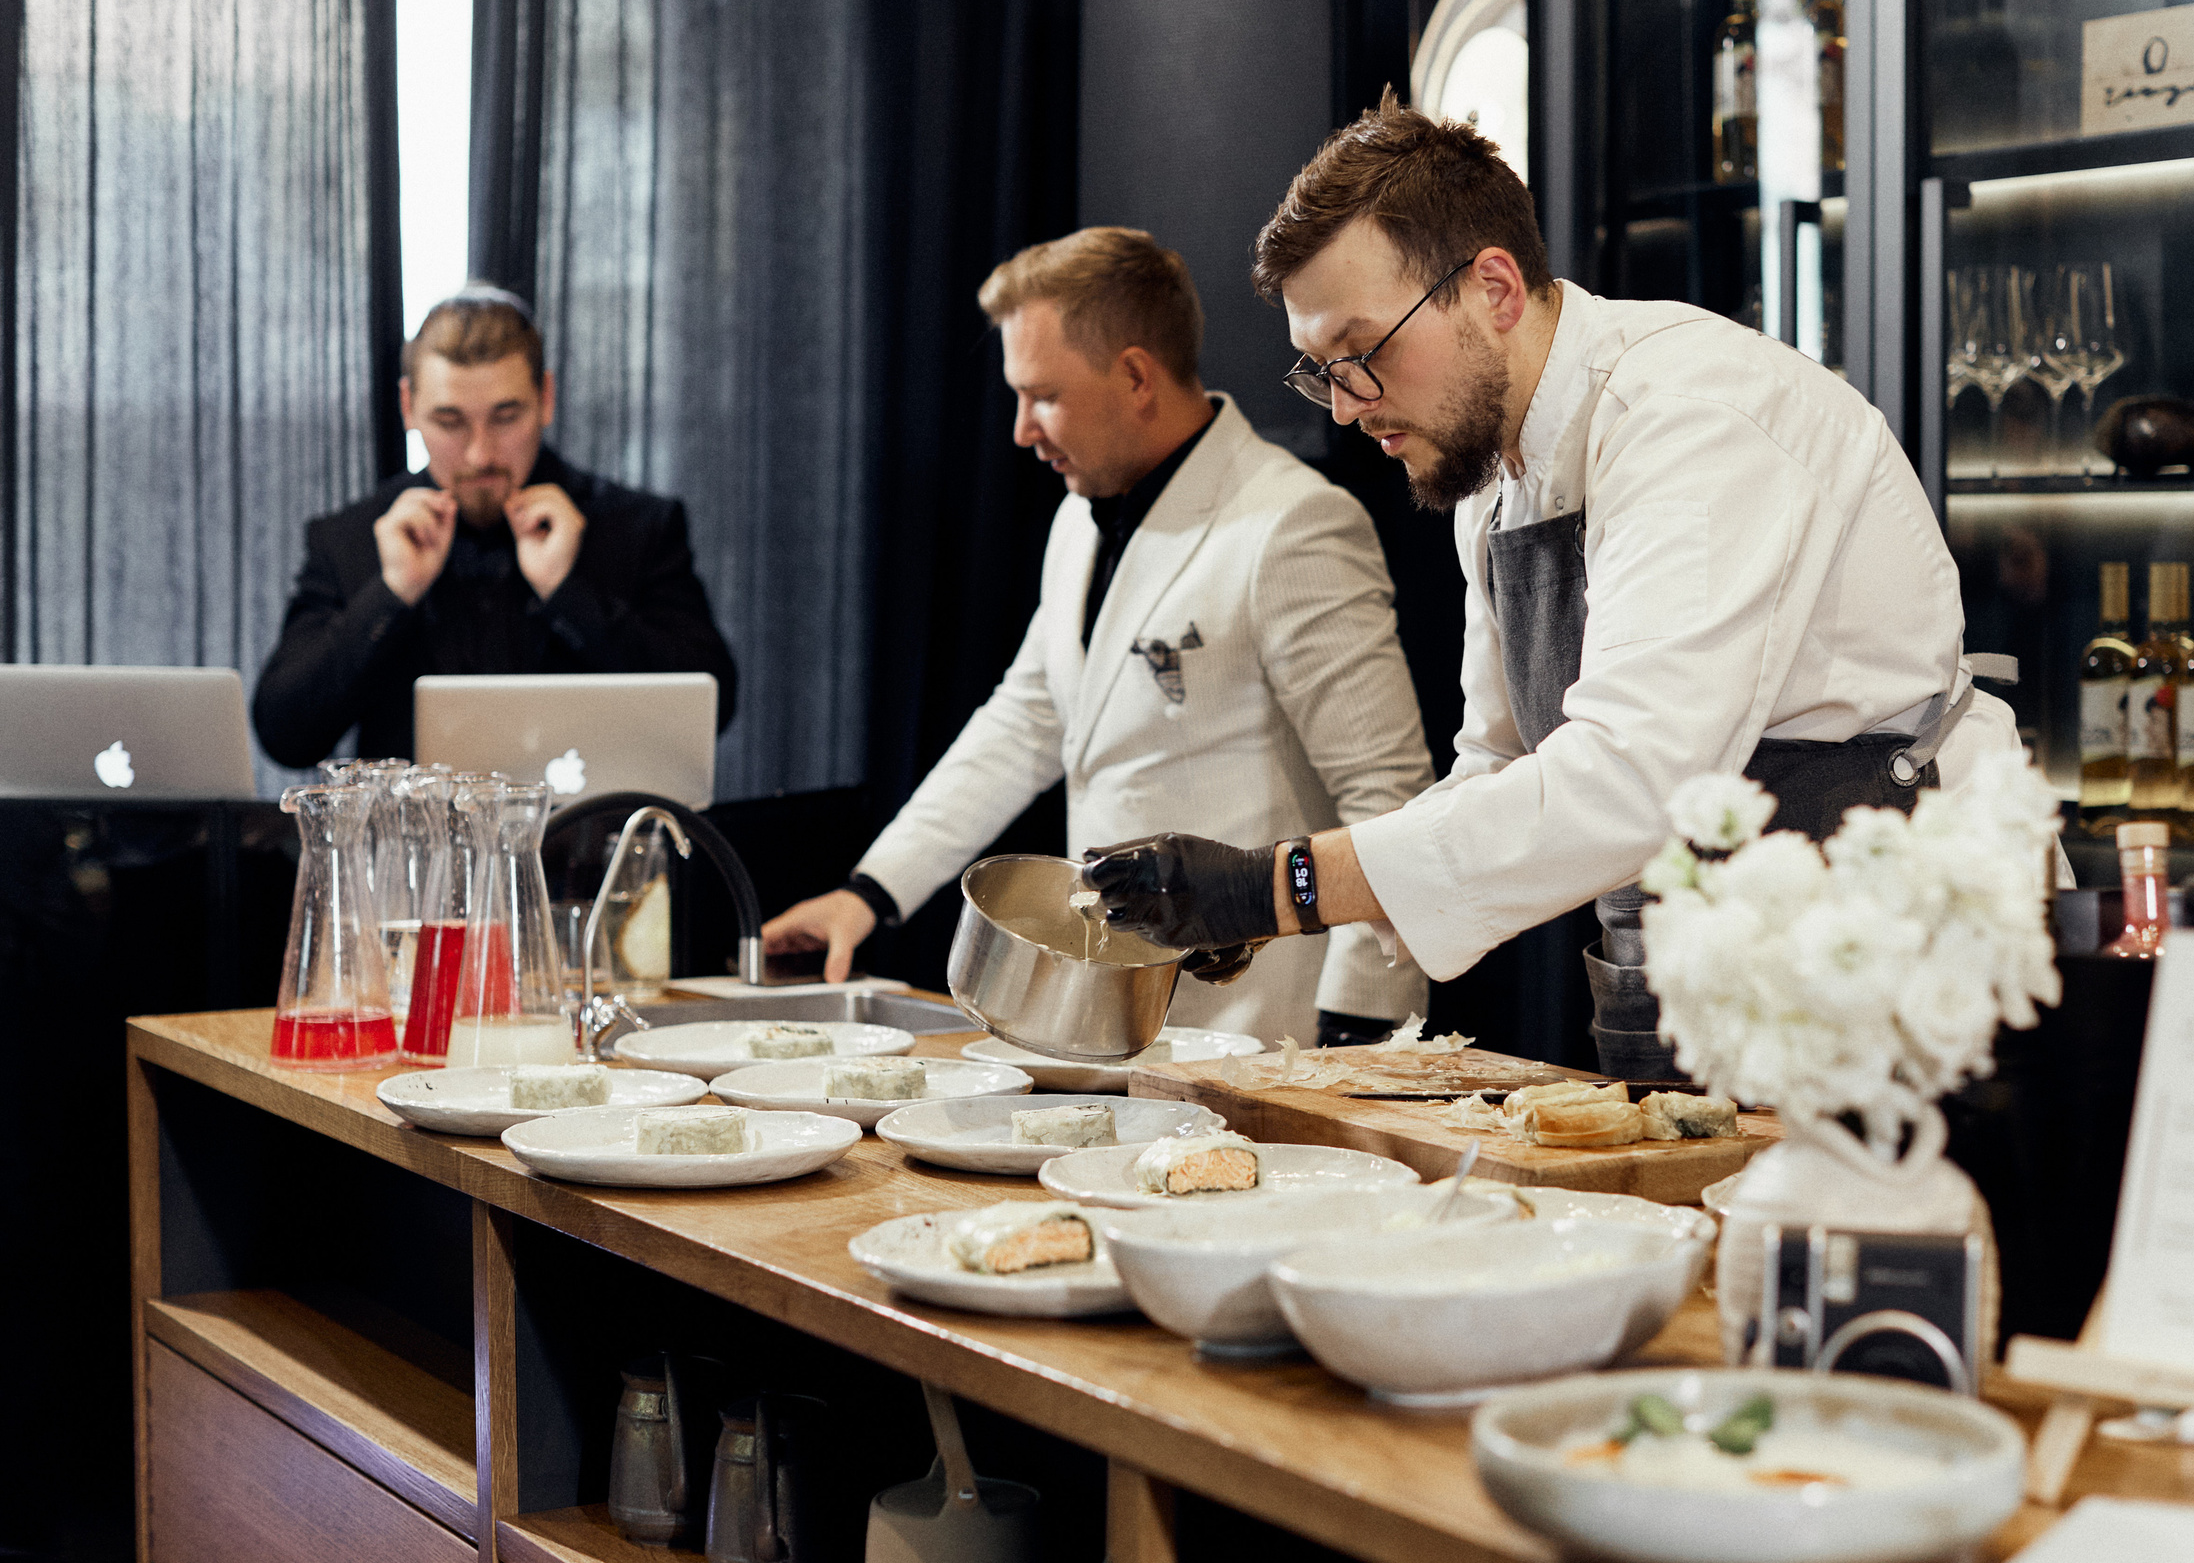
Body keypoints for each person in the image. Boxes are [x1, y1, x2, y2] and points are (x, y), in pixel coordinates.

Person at [1083, 100, 2024, 1077]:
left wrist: (1281, 886)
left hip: (1870, 948)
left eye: (1363, 352)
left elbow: (1632, 779)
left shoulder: (1689, 417)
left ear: (1492, 287)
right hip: (1672, 951)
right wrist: (1305, 907)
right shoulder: (1489, 482)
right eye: (1322, 373)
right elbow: (1497, 764)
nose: (1351, 405)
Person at [760, 227, 1432, 1046]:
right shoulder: (1077, 521)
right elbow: (1026, 722)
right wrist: (870, 892)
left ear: (1137, 376)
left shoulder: (1293, 525)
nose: (1020, 429)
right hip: (1120, 1032)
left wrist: (1355, 1034)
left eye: (1041, 394)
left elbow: (1390, 803)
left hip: (1268, 1037)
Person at [254, 287, 738, 766]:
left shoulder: (640, 527)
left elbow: (712, 711)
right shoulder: (351, 537)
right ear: (408, 408)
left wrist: (567, 594)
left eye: (506, 417)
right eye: (450, 421)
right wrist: (392, 592)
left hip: (589, 837)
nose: (479, 454)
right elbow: (284, 736)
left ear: (545, 398)